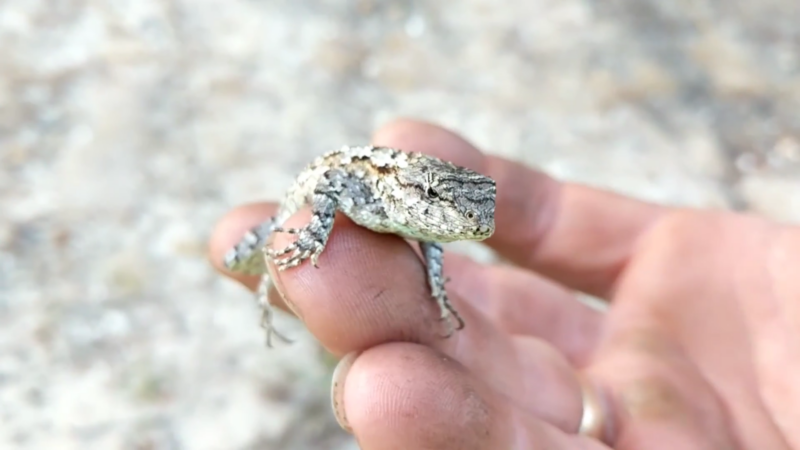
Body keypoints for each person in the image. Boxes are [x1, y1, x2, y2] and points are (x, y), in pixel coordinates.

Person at [209, 120, 800, 449]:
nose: (476, 228)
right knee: (243, 253)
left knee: (399, 381)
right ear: (422, 198)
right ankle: (267, 272)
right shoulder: (382, 192)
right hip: (324, 190)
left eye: (476, 215)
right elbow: (334, 187)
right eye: (457, 213)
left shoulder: (428, 216)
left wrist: (436, 290)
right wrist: (314, 237)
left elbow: (432, 238)